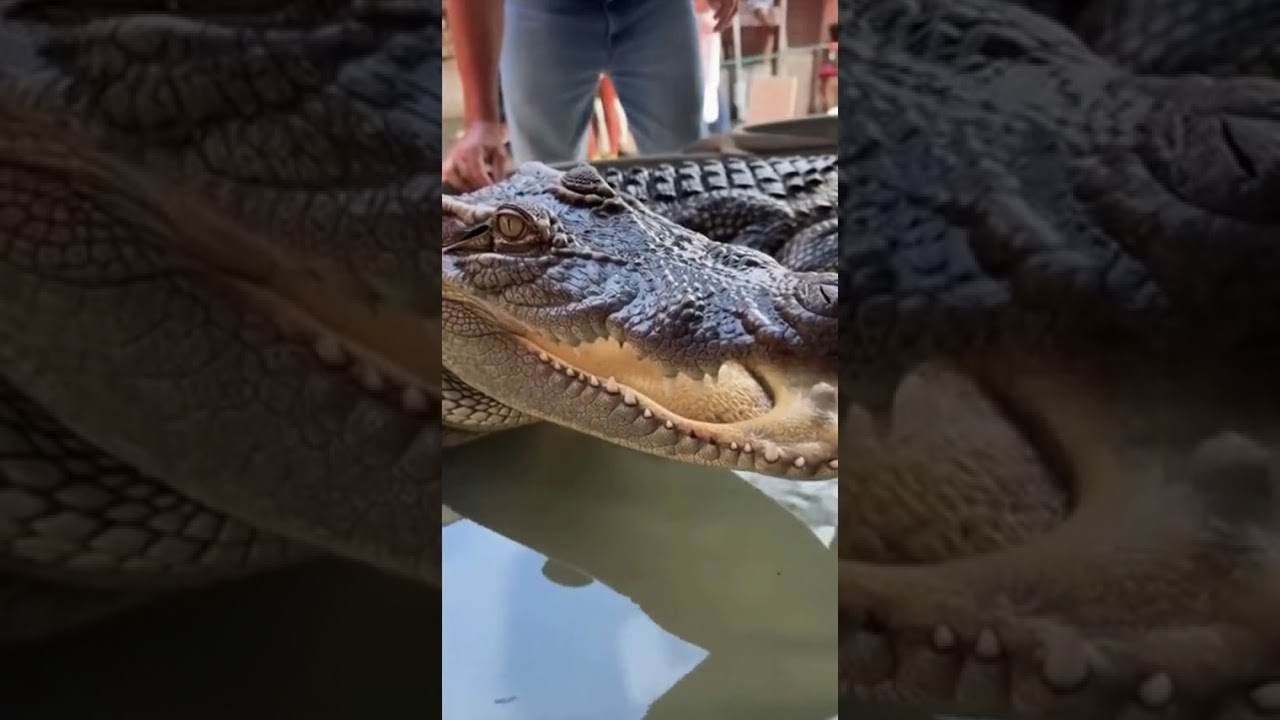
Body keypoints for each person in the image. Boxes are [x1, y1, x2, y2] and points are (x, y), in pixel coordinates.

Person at [444, 0, 741, 191]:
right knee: (544, 183)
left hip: (657, 7)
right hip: (541, 9)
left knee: (687, 165)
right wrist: (481, 119)